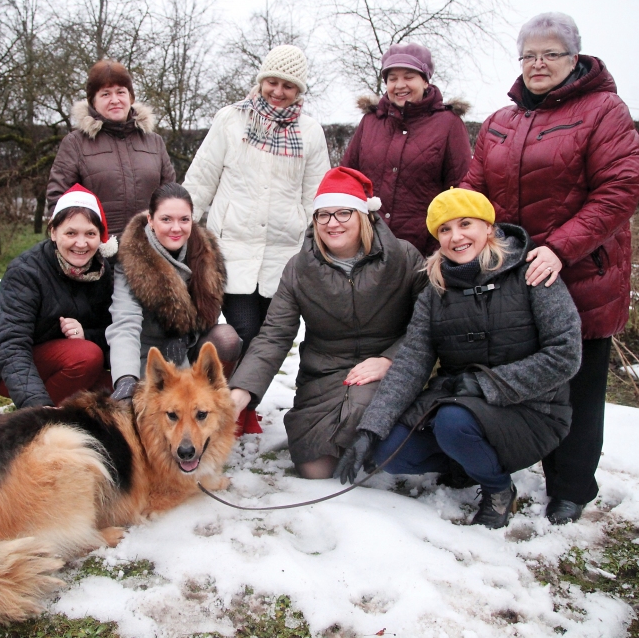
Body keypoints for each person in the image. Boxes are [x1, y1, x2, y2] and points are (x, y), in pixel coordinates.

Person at [460, 12, 639, 525]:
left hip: (582, 273)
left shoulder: (603, 110)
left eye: (551, 54)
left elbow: (620, 188)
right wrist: (462, 232)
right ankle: (514, 467)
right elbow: (472, 189)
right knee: (525, 378)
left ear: (574, 57)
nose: (538, 64)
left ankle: (571, 487)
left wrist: (562, 248)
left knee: (579, 383)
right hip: (514, 276)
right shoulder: (502, 120)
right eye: (529, 55)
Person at [337, 189, 582, 528]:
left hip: (533, 409)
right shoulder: (435, 289)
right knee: (389, 452)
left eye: (466, 224)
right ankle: (470, 463)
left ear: (489, 228)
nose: (456, 236)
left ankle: (498, 489)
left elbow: (565, 355)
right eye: (445, 229)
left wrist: (486, 384)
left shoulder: (531, 274)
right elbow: (411, 363)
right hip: (462, 403)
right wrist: (371, 429)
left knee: (454, 422)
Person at [227, 167, 428, 478]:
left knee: (364, 413)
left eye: (344, 213)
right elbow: (274, 335)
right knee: (314, 468)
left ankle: (386, 441)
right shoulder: (299, 268)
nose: (333, 223)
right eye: (324, 215)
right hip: (325, 371)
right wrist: (240, 392)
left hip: (385, 368)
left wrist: (391, 359)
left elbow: (427, 323)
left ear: (364, 215)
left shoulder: (403, 256)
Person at [182, 45, 330, 432]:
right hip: (232, 249)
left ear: (299, 91)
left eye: (288, 86)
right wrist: (178, 225)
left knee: (274, 338)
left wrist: (319, 245)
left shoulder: (310, 131)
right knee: (245, 332)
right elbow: (202, 177)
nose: (278, 91)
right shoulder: (231, 120)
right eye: (272, 82)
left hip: (284, 255)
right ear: (261, 79)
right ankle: (237, 414)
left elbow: (317, 195)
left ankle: (242, 406)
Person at [0, 185, 116, 409]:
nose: (81, 243)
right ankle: (40, 420)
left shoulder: (103, 272)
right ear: (53, 232)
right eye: (70, 233)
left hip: (66, 356)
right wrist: (35, 404)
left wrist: (84, 333)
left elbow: (111, 333)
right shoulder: (26, 272)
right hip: (3, 358)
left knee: (118, 396)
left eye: (90, 233)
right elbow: (11, 344)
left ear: (100, 237)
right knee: (85, 356)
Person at [105, 183, 242, 402]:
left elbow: (207, 316)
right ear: (150, 220)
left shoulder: (205, 254)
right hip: (147, 352)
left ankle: (214, 402)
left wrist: (185, 338)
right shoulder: (132, 258)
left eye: (184, 219)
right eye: (166, 219)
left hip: (186, 346)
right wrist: (125, 379)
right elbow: (125, 323)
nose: (176, 228)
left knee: (226, 338)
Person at [340, 42, 472, 256]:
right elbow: (347, 180)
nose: (400, 85)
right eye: (392, 78)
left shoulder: (448, 124)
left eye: (409, 77)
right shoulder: (370, 122)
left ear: (425, 80)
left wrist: (442, 249)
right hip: (369, 248)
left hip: (424, 251)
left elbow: (461, 191)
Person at [47, 59, 176, 238]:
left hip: (149, 251)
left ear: (130, 97)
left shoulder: (154, 142)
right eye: (105, 94)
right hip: (95, 253)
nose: (115, 100)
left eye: (120, 92)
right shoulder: (75, 143)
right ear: (93, 101)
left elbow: (170, 199)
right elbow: (58, 200)